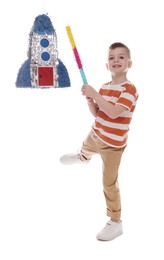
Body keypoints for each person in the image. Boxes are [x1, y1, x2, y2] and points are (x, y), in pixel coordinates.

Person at [60, 42, 138, 241]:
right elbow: (98, 113)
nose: (116, 60)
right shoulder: (104, 87)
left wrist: (95, 94)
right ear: (107, 65)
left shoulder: (129, 89)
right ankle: (83, 157)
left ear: (130, 63)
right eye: (112, 58)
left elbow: (113, 113)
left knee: (109, 182)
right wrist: (90, 101)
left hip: (114, 146)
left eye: (121, 57)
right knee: (84, 149)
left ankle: (115, 222)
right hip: (96, 134)